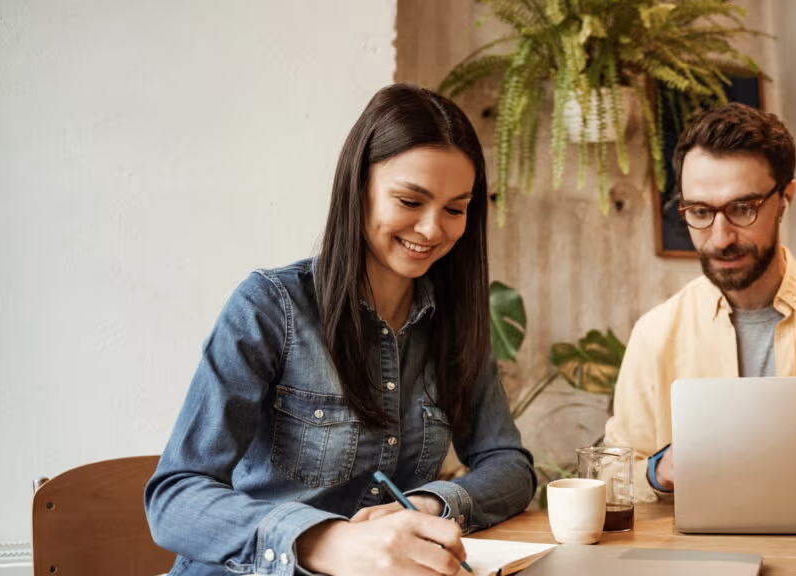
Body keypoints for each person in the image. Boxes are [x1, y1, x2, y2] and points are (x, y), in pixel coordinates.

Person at [145, 84, 536, 576]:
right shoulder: (270, 307)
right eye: (410, 200)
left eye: (455, 209)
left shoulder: (453, 320)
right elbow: (174, 498)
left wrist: (425, 507)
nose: (434, 230)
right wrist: (327, 542)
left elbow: (510, 465)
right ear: (358, 188)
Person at [605, 103, 796, 501]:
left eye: (742, 208)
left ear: (786, 197)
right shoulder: (655, 334)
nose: (720, 237)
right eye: (700, 211)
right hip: (702, 560)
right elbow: (611, 473)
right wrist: (657, 471)